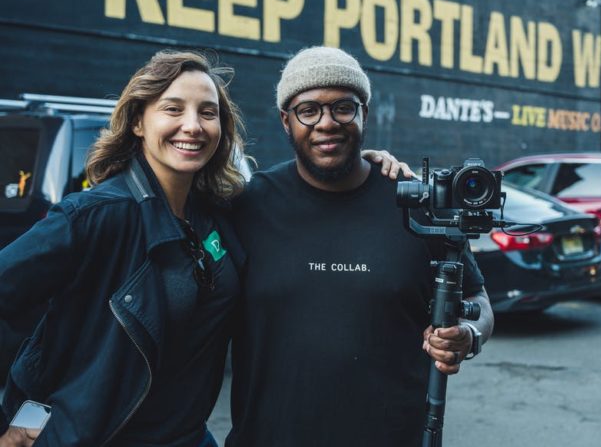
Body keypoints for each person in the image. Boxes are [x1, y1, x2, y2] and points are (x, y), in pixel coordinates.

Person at [0, 50, 406, 447]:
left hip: (188, 436)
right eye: (173, 109)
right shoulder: (97, 215)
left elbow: (324, 192)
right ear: (139, 122)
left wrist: (364, 166)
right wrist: (10, 421)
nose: (192, 125)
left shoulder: (217, 212)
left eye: (207, 113)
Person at [226, 46, 494, 446]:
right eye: (309, 110)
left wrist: (468, 334)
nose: (326, 123)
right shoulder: (249, 206)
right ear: (286, 121)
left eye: (343, 108)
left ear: (364, 113)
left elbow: (478, 298)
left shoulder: (417, 207)